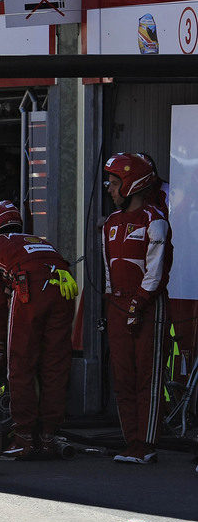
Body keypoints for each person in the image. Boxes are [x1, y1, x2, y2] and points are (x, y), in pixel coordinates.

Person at [0, 201, 77, 459]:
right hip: (64, 286)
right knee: (55, 365)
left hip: (29, 288)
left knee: (19, 364)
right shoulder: (38, 240)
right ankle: (49, 437)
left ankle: (22, 439)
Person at [102, 153, 173, 464]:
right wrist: (111, 303)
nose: (109, 188)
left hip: (148, 306)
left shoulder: (155, 220)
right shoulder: (110, 224)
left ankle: (146, 444)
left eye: (115, 183)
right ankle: (130, 440)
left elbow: (157, 272)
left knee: (148, 376)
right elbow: (106, 272)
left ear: (133, 184)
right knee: (123, 376)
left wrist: (139, 303)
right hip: (116, 305)